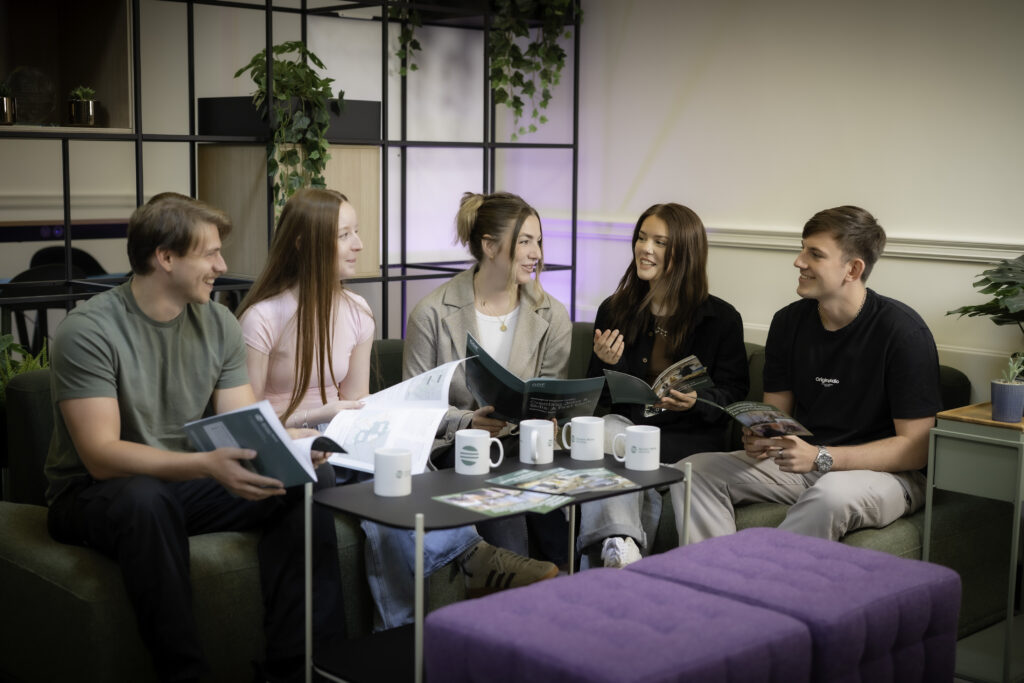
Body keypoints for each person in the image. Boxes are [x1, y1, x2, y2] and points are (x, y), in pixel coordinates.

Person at [44, 193, 344, 683]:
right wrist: (205, 466)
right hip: (93, 494)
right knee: (145, 499)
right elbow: (101, 457)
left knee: (304, 481)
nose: (222, 266)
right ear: (165, 257)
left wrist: (297, 441)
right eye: (210, 254)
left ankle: (304, 668)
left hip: (181, 485)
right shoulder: (89, 329)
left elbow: (245, 424)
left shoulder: (219, 322)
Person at [237, 188, 555, 631]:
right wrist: (309, 420)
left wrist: (369, 420)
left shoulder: (357, 311)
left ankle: (400, 630)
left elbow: (358, 406)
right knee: (384, 483)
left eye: (357, 232)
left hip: (342, 439)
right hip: (290, 447)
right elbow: (245, 424)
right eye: (345, 234)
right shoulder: (262, 318)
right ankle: (470, 558)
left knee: (394, 468)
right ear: (304, 243)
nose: (359, 245)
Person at [671, 205, 941, 544]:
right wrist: (762, 438)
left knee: (830, 494)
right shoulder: (788, 323)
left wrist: (821, 456)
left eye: (815, 254)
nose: (799, 261)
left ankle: (767, 589)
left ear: (853, 269)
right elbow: (777, 417)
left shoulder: (902, 332)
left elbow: (916, 450)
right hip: (805, 465)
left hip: (888, 476)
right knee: (693, 472)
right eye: (802, 249)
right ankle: (712, 577)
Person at [402, 190, 571, 565]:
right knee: (502, 495)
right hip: (456, 450)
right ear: (490, 246)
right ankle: (513, 597)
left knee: (556, 525)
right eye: (525, 241)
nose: (537, 253)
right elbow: (412, 408)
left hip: (526, 449)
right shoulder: (430, 313)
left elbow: (548, 394)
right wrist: (467, 420)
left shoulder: (553, 316)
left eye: (539, 241)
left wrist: (550, 415)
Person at [577, 203, 749, 568]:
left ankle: (620, 548)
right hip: (630, 428)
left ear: (684, 252)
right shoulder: (615, 309)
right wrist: (610, 363)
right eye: (641, 237)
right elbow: (600, 395)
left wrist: (696, 400)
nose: (645, 248)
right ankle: (623, 546)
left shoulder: (721, 319)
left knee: (624, 446)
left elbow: (734, 393)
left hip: (688, 437)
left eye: (659, 242)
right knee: (603, 432)